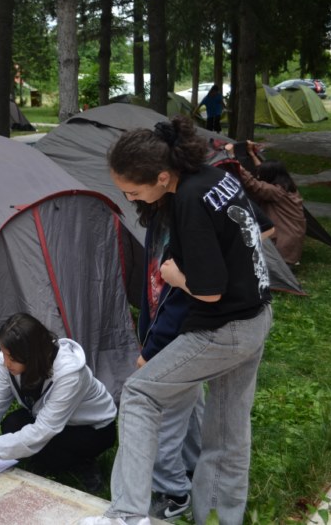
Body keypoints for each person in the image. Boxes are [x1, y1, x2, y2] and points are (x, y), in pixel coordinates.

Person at [79, 116, 272, 525]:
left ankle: (127, 515)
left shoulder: (188, 201)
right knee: (228, 434)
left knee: (139, 395)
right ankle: (219, 518)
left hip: (223, 328)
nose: (132, 199)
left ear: (163, 177)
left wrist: (173, 277)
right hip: (255, 317)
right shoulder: (215, 177)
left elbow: (208, 290)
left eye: (134, 191)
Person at [0, 312, 117, 491]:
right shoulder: (9, 359)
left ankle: (84, 464)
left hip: (93, 428)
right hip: (49, 418)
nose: (6, 363)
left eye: (12, 359)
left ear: (33, 355)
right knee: (11, 425)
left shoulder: (70, 374)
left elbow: (43, 430)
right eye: (5, 355)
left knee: (49, 456)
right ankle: (55, 459)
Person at [134, 191, 204, 521]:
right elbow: (155, 286)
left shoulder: (190, 216)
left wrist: (152, 348)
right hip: (166, 332)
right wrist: (147, 333)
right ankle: (194, 470)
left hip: (180, 336)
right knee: (187, 408)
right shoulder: (158, 217)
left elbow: (180, 299)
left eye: (133, 189)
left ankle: (174, 491)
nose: (130, 196)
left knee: (158, 413)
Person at [227, 140, 306, 266]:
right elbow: (262, 169)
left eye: (261, 174)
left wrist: (231, 157)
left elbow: (251, 183)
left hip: (282, 253)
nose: (258, 174)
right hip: (291, 245)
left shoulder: (275, 192)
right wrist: (252, 154)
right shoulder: (287, 186)